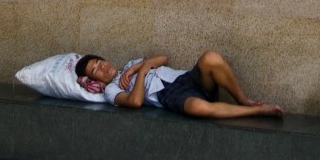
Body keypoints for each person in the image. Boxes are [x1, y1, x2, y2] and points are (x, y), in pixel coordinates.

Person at [76, 50, 284, 119]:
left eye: (99, 62)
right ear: (94, 80)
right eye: (95, 70)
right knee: (198, 108)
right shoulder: (112, 90)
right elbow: (136, 101)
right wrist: (141, 74)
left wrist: (134, 69)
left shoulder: (129, 65)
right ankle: (257, 111)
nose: (101, 67)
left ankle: (243, 100)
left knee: (210, 57)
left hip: (183, 78)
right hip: (169, 95)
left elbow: (163, 58)